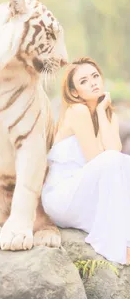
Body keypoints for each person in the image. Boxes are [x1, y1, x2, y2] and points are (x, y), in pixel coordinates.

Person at [41, 57, 130, 265]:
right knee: (112, 162)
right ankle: (118, 249)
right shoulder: (77, 111)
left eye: (95, 76)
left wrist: (102, 112)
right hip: (61, 197)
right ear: (74, 92)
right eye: (84, 81)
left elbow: (114, 152)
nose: (93, 82)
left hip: (85, 194)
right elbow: (97, 159)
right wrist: (99, 112)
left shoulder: (108, 115)